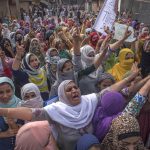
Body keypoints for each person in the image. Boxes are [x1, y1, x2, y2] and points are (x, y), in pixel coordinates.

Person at [0, 72, 142, 150]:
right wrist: (4, 111)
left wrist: (129, 78)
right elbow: (31, 113)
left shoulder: (89, 101)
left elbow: (109, 91)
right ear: (62, 95)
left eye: (75, 88)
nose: (74, 90)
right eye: (69, 89)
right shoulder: (56, 110)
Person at [0, 77, 21, 150]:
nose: (5, 95)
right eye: (1, 92)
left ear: (13, 90)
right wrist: (4, 134)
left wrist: (13, 124)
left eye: (8, 91)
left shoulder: (21, 105)